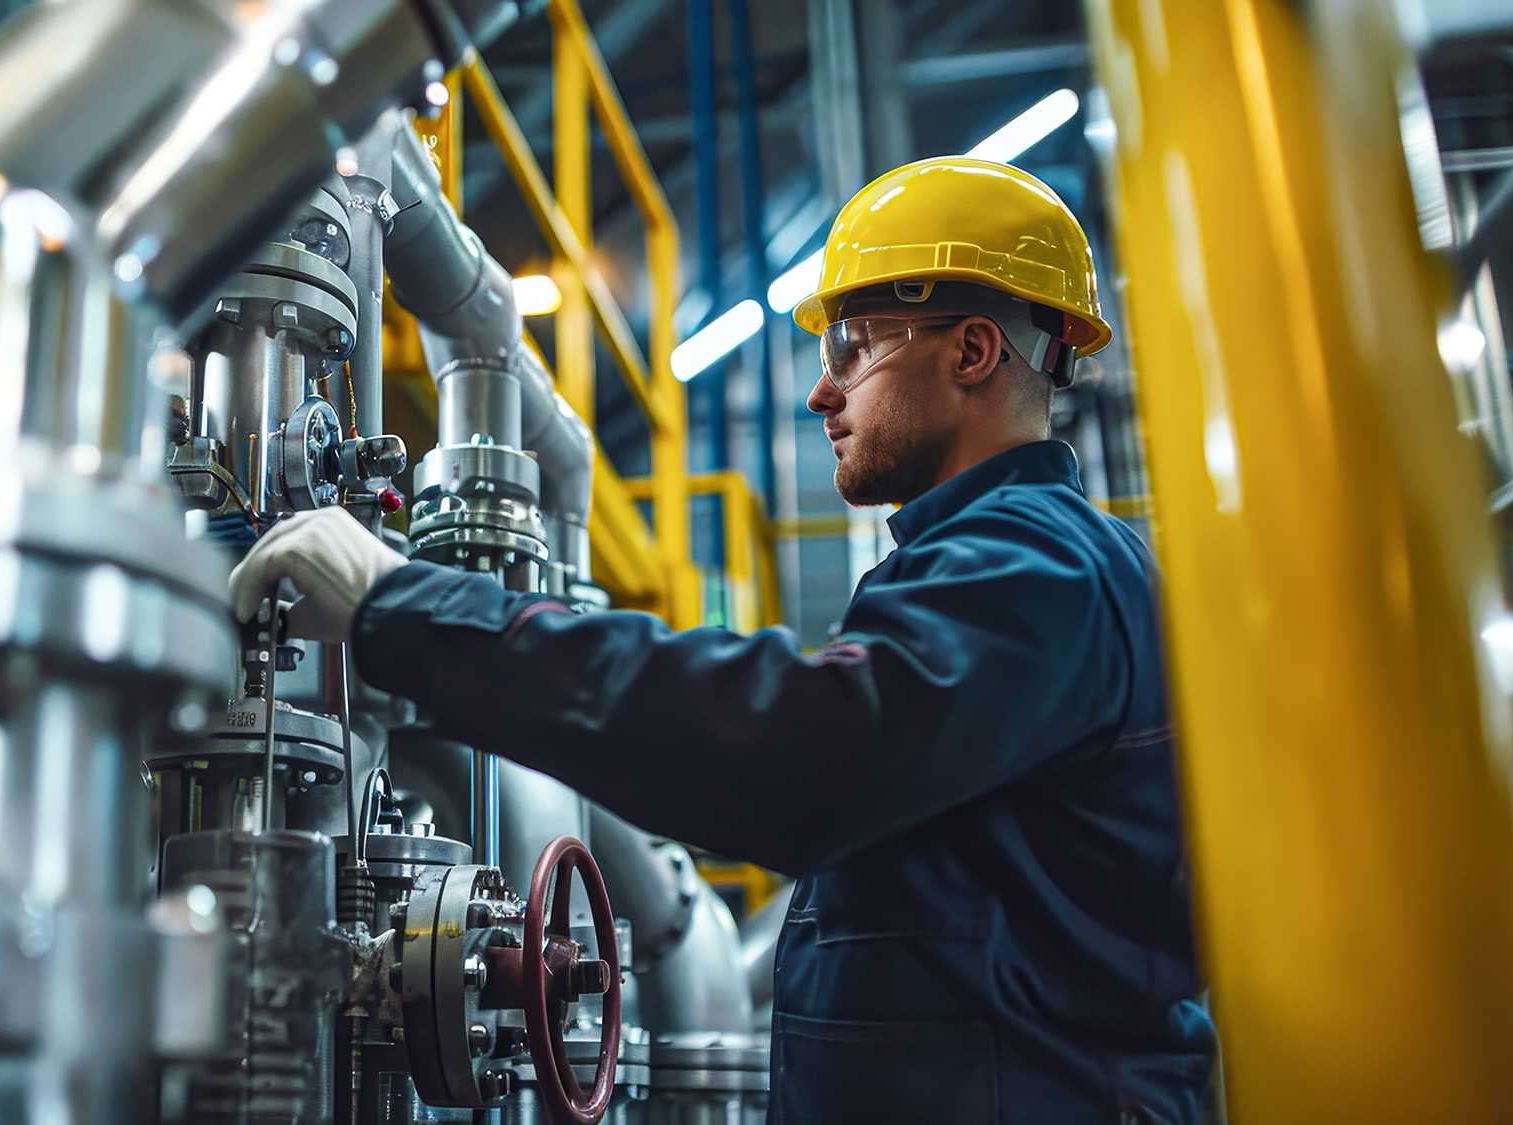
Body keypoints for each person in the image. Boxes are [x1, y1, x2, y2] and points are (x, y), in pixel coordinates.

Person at [230, 156, 1216, 1123]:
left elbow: (792, 751)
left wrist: (404, 608)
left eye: (852, 348)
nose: (820, 394)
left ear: (969, 352)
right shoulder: (997, 570)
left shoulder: (1035, 573)